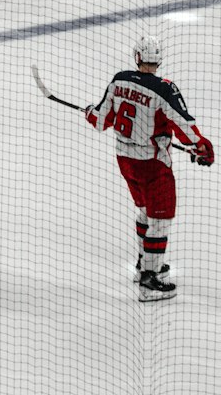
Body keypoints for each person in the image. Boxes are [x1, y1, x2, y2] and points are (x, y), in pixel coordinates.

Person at [84, 36, 213, 299]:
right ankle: (148, 281)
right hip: (153, 165)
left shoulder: (119, 79)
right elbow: (184, 125)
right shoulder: (165, 88)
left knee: (144, 211)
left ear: (137, 57)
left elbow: (99, 120)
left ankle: (144, 263)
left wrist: (88, 111)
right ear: (159, 60)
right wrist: (201, 147)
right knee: (161, 220)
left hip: (125, 161)